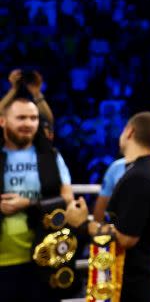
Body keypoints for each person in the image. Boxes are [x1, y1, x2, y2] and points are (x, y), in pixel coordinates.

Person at [67, 112, 150, 302]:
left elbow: (126, 239)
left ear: (129, 132)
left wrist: (83, 223)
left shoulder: (139, 177)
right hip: (135, 279)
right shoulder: (147, 172)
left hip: (129, 284)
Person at [0, 98, 73, 302]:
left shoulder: (51, 156)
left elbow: (67, 198)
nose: (28, 123)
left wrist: (28, 204)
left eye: (33, 118)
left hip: (44, 257)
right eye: (21, 117)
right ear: (3, 121)